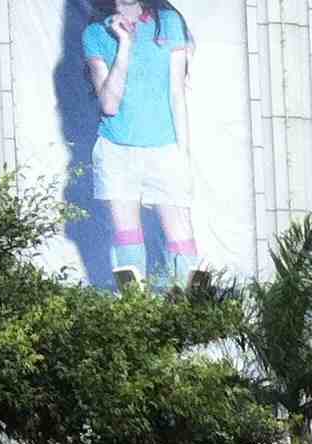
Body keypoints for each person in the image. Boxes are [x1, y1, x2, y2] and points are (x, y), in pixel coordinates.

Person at [82, 0, 201, 291]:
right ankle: (132, 309)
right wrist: (125, 44)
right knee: (126, 242)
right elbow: (109, 105)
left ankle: (195, 307)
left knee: (183, 240)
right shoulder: (95, 33)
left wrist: (183, 155)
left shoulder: (168, 22)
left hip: (164, 148)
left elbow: (177, 94)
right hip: (116, 152)